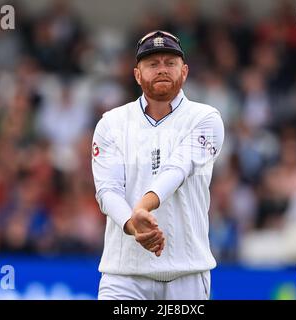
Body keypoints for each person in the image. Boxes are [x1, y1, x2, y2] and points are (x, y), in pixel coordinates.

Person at [91, 30, 225, 300]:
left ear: (184, 71)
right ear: (137, 75)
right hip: (123, 275)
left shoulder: (206, 118)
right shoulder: (111, 123)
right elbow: (107, 191)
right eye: (153, 64)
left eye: (170, 63)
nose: (162, 69)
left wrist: (143, 206)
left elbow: (177, 169)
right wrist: (132, 223)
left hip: (187, 273)